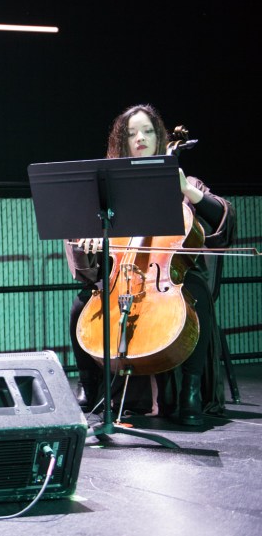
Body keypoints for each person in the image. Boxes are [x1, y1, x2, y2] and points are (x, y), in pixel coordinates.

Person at [65, 103, 235, 426]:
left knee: (195, 296)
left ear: (159, 137)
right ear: (123, 142)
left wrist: (185, 189)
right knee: (80, 305)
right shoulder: (111, 191)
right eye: (131, 134)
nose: (139, 138)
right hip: (123, 279)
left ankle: (190, 392)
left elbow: (222, 221)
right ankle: (90, 389)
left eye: (146, 131)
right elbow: (84, 248)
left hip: (171, 278)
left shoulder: (184, 186)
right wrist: (91, 243)